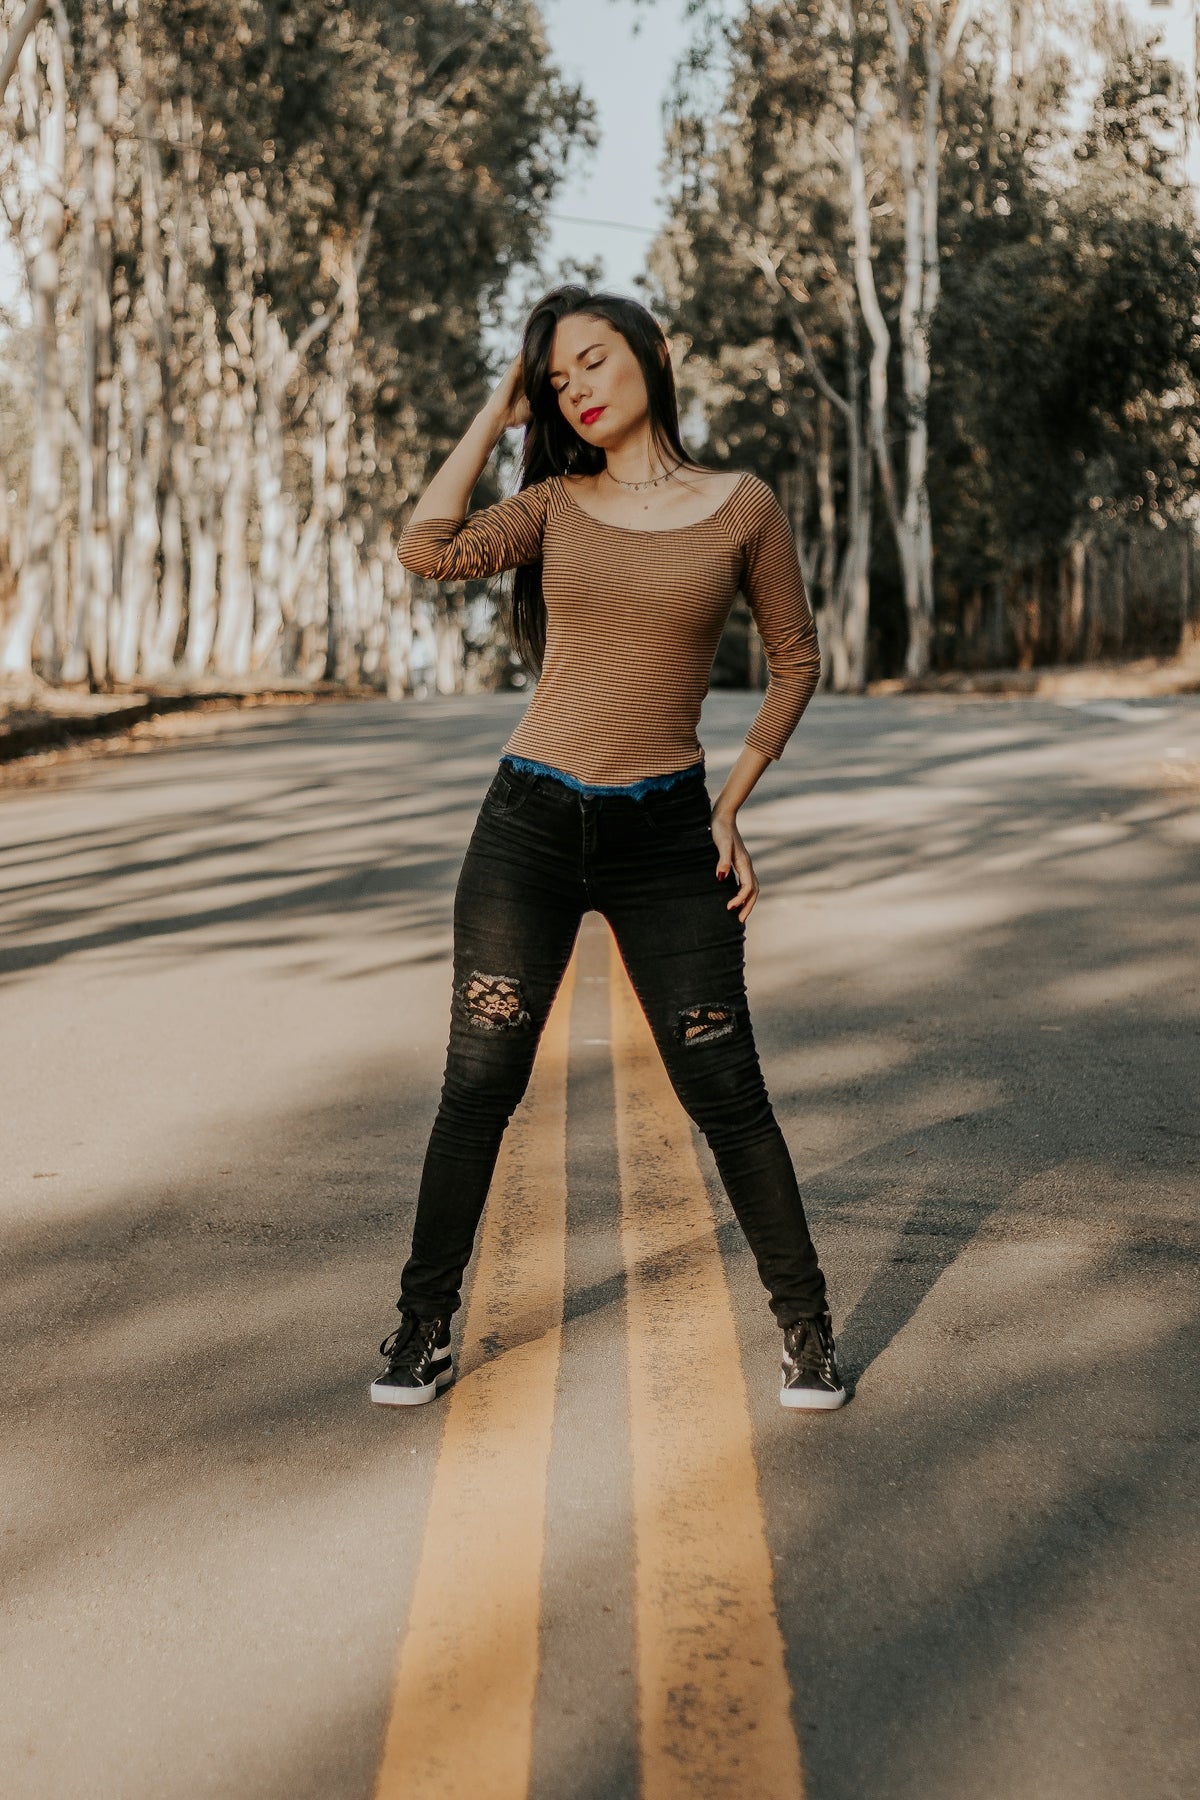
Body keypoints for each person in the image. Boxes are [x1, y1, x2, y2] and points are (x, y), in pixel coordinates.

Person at [369, 284, 846, 1413]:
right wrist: (498, 404)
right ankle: (421, 1329)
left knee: (726, 1088)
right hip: (528, 827)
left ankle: (807, 1329)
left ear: (653, 353)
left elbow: (796, 658)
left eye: (591, 359)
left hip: (666, 836)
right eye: (555, 379)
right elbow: (426, 547)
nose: (575, 388)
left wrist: (729, 806)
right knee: (479, 1086)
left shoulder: (742, 507)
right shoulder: (551, 506)